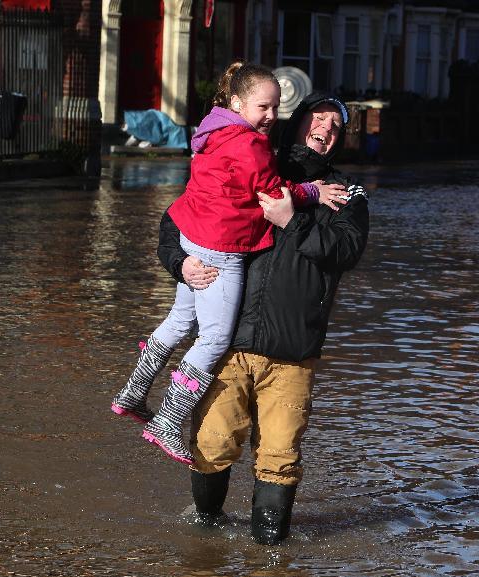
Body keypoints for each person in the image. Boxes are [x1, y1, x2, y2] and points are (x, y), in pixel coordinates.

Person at [157, 92, 369, 544]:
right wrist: (180, 264)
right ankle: (206, 538)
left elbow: (346, 251)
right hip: (229, 342)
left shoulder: (347, 192)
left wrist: (293, 219)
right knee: (211, 446)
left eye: (337, 126)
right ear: (296, 123)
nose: (327, 129)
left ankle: (270, 558)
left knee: (280, 455)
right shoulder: (251, 160)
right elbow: (179, 218)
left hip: (293, 351)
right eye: (319, 118)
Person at [111, 63, 346, 465]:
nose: (270, 116)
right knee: (214, 339)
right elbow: (271, 194)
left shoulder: (212, 131)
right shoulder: (251, 145)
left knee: (180, 321)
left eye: (275, 107)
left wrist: (182, 259)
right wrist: (310, 191)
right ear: (237, 103)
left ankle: (133, 392)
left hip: (195, 235)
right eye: (263, 107)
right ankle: (167, 419)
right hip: (222, 247)